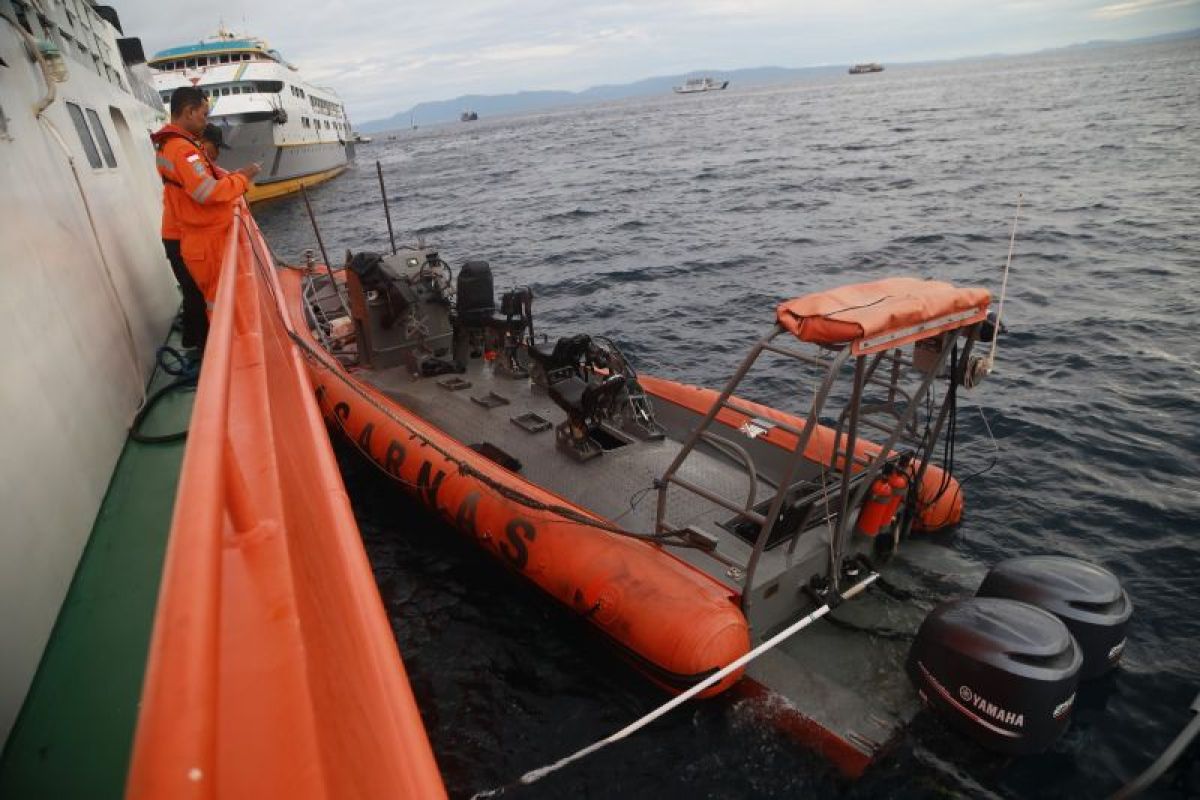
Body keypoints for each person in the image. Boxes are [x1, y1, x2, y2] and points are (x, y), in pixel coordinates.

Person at [151, 86, 260, 317]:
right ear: (190, 112)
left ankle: (215, 345)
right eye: (204, 114)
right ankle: (220, 349)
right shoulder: (182, 149)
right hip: (204, 243)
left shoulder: (173, 144)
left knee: (212, 302)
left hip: (197, 238)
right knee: (218, 305)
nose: (205, 121)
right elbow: (206, 192)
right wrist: (243, 178)